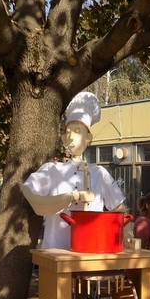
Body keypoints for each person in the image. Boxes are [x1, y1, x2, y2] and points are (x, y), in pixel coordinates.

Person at [22, 92, 125, 249]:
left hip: (89, 250)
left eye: (77, 131)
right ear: (64, 138)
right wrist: (72, 197)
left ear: (88, 137)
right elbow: (28, 191)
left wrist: (126, 236)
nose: (70, 137)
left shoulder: (100, 174)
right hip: (56, 252)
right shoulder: (52, 170)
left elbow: (119, 209)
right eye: (68, 132)